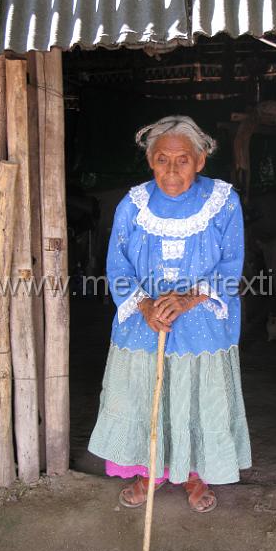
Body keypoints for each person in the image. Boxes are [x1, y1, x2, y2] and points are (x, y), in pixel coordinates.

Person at [88, 115, 252, 513]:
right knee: (147, 396)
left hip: (203, 323)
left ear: (200, 161)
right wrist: (145, 305)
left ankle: (196, 475)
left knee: (197, 398)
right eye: (163, 159)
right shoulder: (133, 204)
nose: (172, 169)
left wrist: (189, 299)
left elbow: (232, 264)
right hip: (145, 323)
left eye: (183, 160)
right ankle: (149, 471)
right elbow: (118, 265)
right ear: (150, 161)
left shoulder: (223, 201)